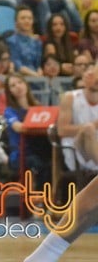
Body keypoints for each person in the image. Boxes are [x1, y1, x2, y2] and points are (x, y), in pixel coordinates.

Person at [23, 64, 98, 261]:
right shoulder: (72, 97)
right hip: (78, 150)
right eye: (89, 70)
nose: (92, 73)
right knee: (88, 130)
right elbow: (63, 130)